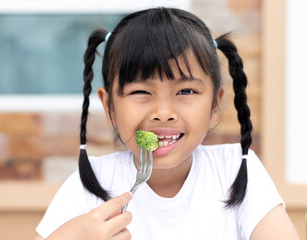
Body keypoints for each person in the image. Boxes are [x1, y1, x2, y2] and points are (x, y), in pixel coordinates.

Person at [33, 7, 299, 240]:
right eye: (140, 92)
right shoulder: (90, 183)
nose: (163, 113)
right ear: (109, 107)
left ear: (215, 106)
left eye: (185, 92)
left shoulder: (236, 170)